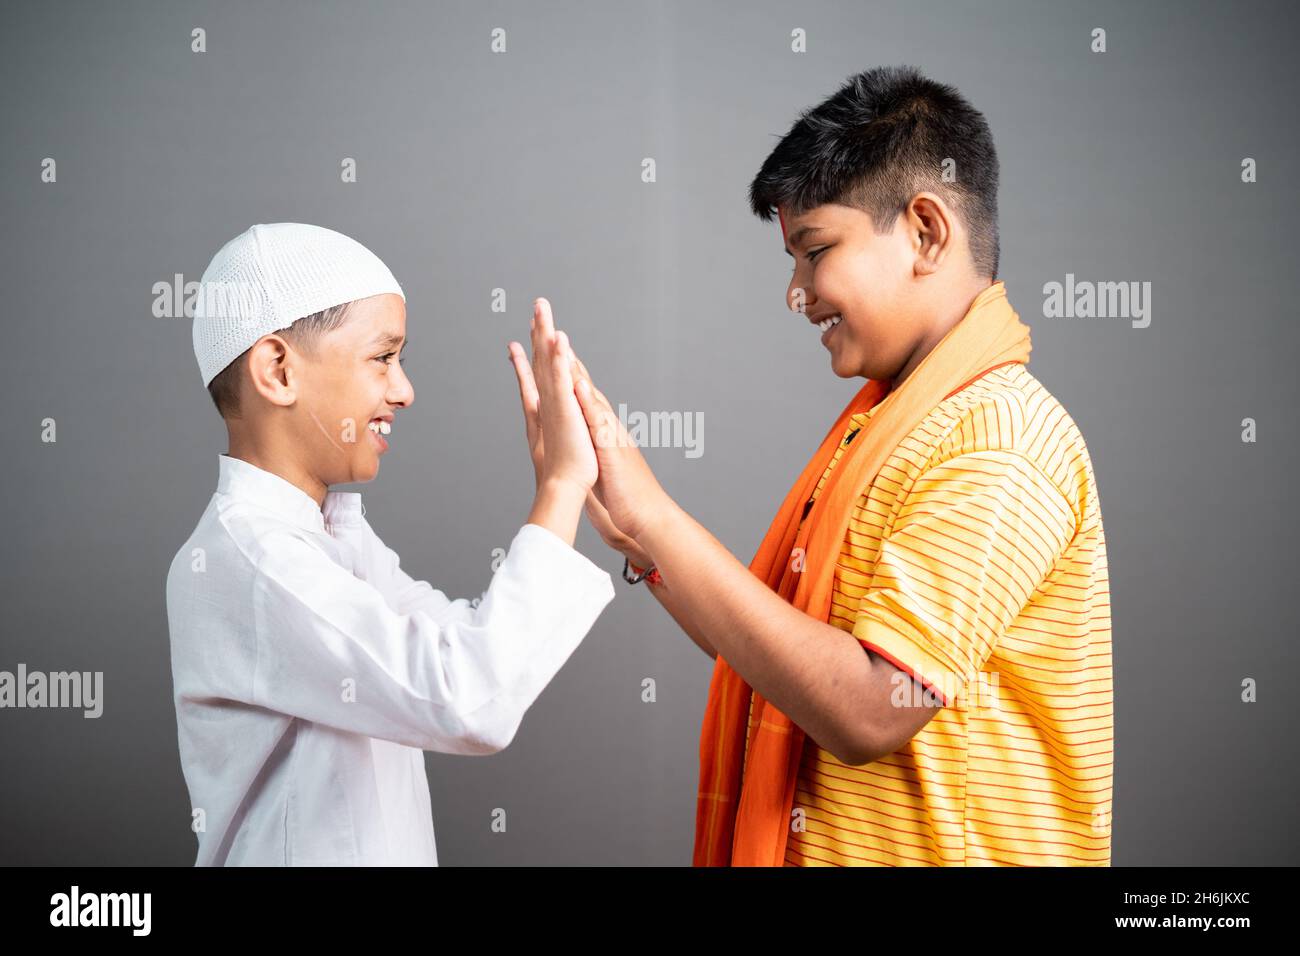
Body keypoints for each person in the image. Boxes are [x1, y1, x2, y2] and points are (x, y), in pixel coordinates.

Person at [526, 66, 1113, 866]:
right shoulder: (892, 423)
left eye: (815, 251)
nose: (798, 292)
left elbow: (871, 705)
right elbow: (790, 661)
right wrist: (637, 534)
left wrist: (662, 520)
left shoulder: (997, 434)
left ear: (927, 232)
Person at [166, 222, 613, 865]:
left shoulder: (332, 532)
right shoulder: (254, 559)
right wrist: (563, 486)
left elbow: (470, 650)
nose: (404, 390)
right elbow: (468, 698)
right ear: (278, 370)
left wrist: (568, 493)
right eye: (383, 357)